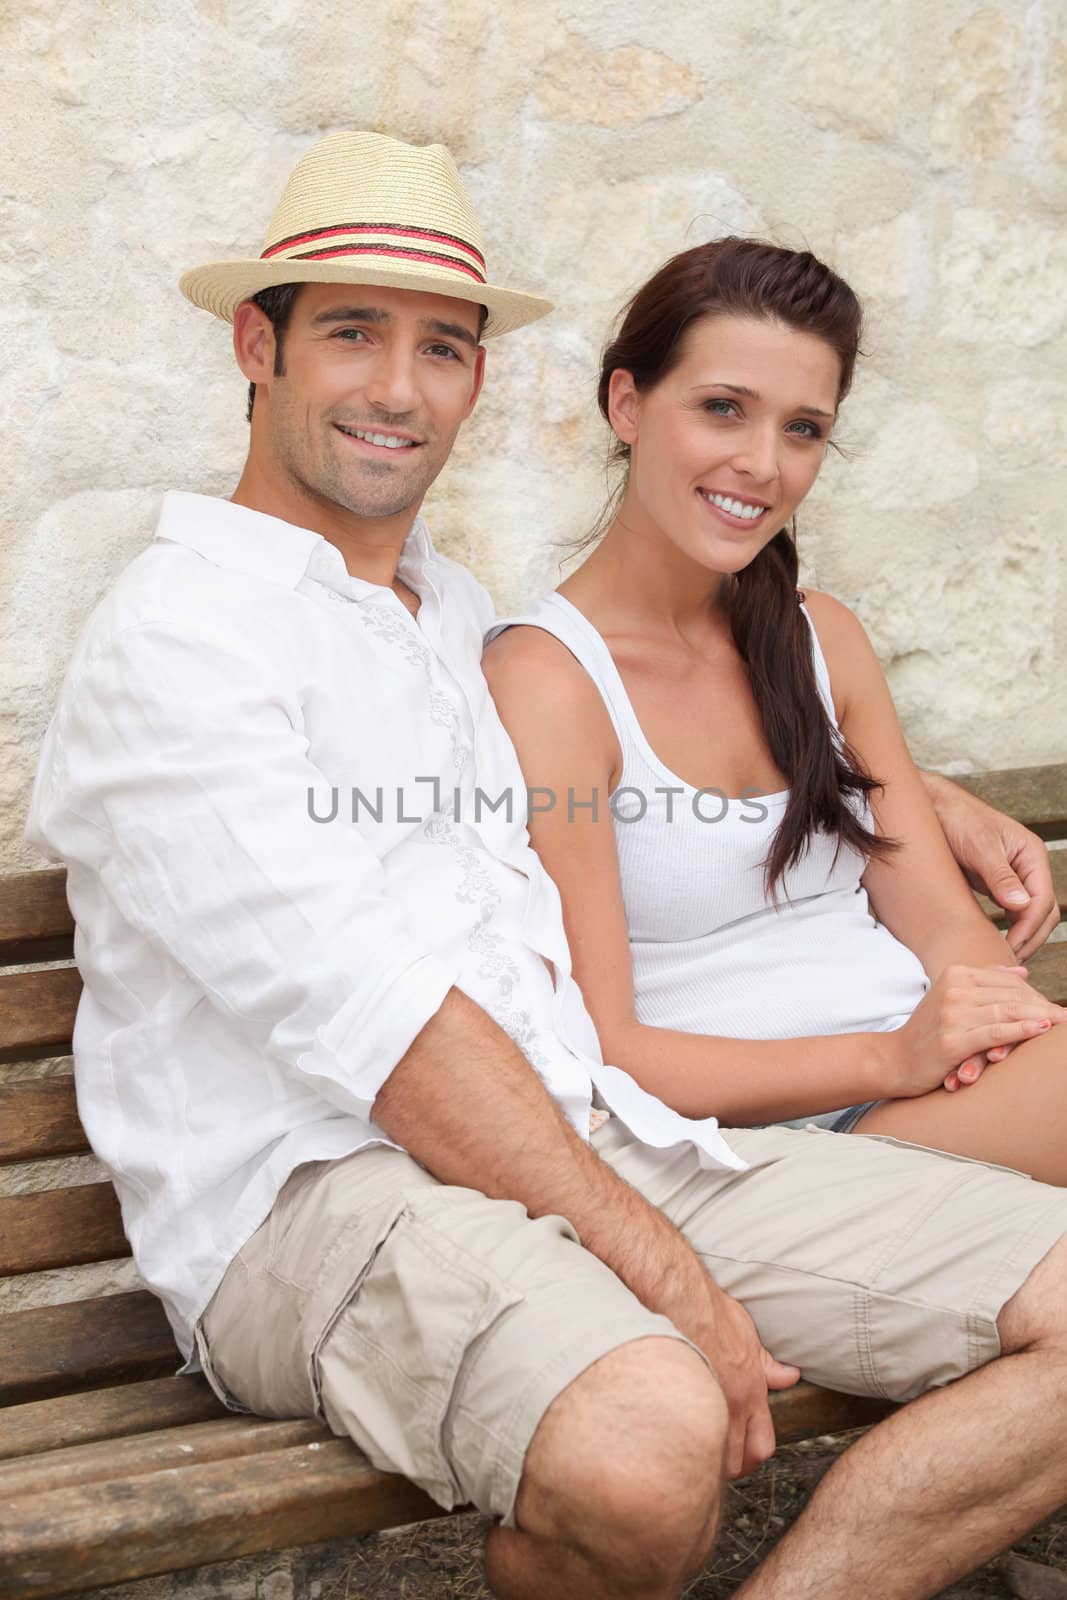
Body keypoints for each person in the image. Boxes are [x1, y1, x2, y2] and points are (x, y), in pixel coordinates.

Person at [24, 131, 1067, 1600]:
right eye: (350, 336)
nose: (398, 388)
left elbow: (642, 716)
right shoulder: (183, 636)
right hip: (321, 1193)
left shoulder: (439, 614)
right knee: (649, 1444)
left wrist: (913, 794)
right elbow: (384, 1030)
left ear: (478, 382)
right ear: (255, 347)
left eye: (441, 348)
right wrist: (658, 1269)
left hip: (578, 1128)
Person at [483, 237, 1067, 1183]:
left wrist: (990, 1032)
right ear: (626, 403)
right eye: (722, 409)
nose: (763, 464)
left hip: (930, 1094)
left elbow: (943, 928)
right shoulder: (550, 682)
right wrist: (893, 1059)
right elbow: (606, 1049)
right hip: (757, 1147)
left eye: (802, 429)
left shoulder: (819, 640)